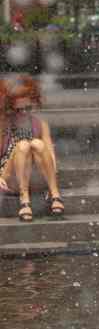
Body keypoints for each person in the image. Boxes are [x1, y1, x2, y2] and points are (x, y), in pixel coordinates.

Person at [0, 76, 63, 221]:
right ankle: (25, 200)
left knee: (38, 144)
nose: (23, 113)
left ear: (34, 104)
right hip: (11, 177)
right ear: (11, 108)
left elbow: (50, 155)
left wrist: (51, 172)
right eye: (18, 110)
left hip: (35, 175)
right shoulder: (4, 124)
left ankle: (55, 194)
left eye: (27, 108)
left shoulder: (40, 124)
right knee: (23, 145)